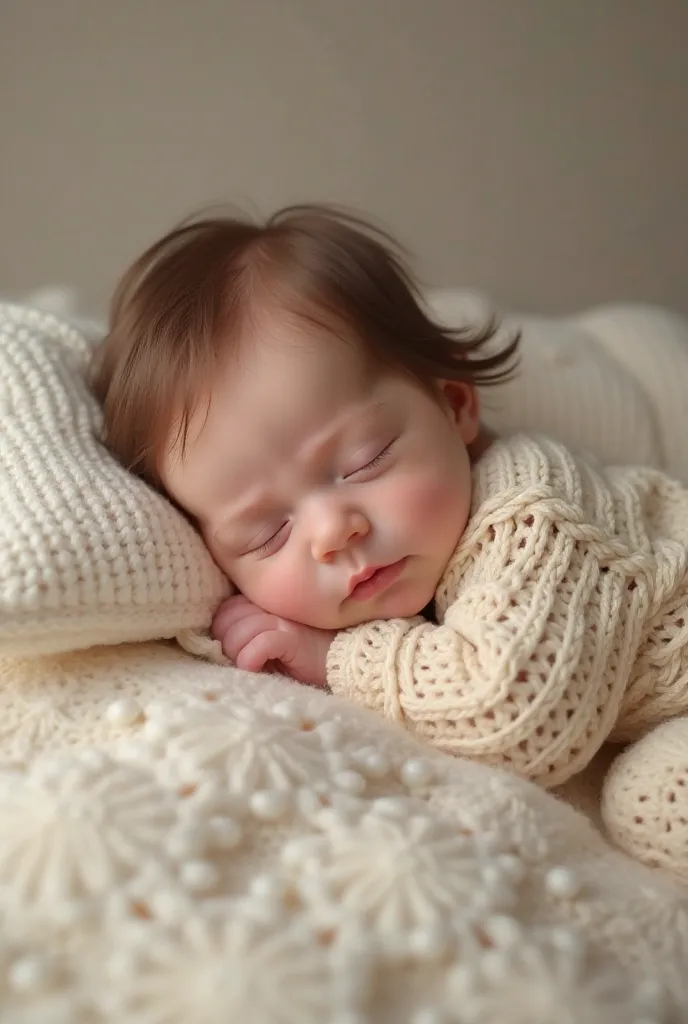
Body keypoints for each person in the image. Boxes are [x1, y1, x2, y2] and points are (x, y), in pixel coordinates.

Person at [93, 204, 688, 877]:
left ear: (455, 404)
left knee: (655, 804)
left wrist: (333, 658)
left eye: (365, 461)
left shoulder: (534, 512)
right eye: (268, 531)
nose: (331, 532)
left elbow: (517, 717)